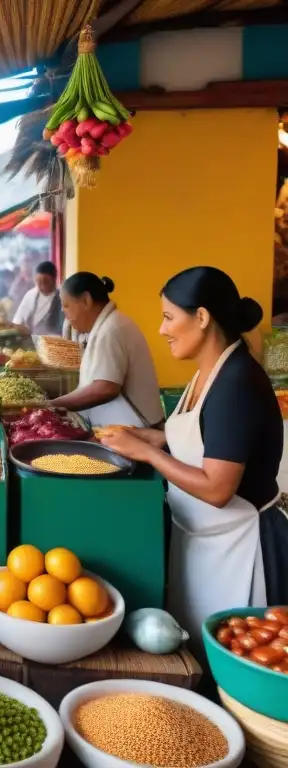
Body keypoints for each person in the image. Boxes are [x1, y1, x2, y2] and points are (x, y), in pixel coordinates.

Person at [101, 267, 288, 648]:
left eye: (169, 317)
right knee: (193, 650)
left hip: (240, 547)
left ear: (201, 317)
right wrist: (143, 436)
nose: (162, 329)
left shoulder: (236, 383)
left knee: (231, 659)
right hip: (204, 541)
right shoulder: (208, 373)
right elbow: (202, 442)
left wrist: (147, 453)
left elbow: (218, 488)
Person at [50, 273, 163, 428]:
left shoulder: (112, 329)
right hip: (123, 428)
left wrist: (52, 405)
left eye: (67, 305)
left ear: (86, 301)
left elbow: (105, 388)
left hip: (139, 429)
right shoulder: (106, 325)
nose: (64, 312)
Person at [11, 261, 63, 337]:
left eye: (45, 282)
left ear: (54, 279)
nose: (41, 286)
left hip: (53, 342)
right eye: (38, 282)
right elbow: (18, 320)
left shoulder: (62, 298)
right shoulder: (30, 295)